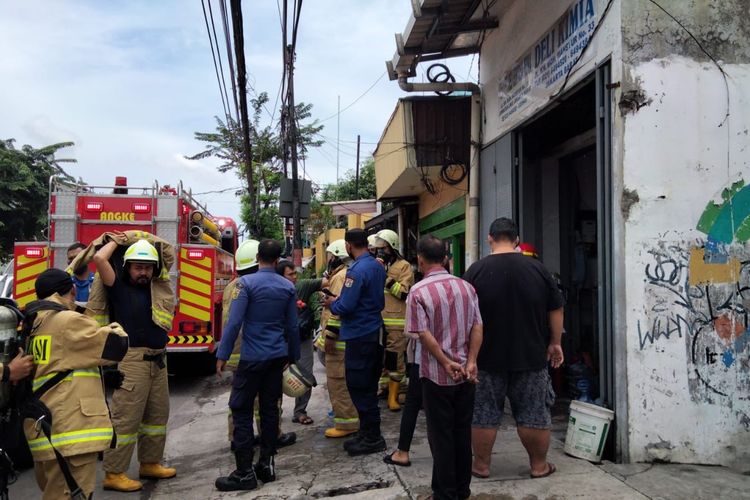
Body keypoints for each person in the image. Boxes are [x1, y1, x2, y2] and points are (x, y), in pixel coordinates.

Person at [463, 217, 564, 480]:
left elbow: (465, 315)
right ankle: (539, 466)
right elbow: (556, 308)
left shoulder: (475, 271)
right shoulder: (538, 270)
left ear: (490, 239)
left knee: (484, 413)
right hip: (530, 355)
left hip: (486, 357)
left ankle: (481, 466)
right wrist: (555, 343)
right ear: (517, 239)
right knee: (533, 413)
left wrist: (468, 355)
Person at [23, 269, 129, 499]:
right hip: (69, 431)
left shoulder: (34, 323)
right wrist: (114, 321)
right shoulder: (67, 320)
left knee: (54, 491)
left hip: (45, 429)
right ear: (72, 290)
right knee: (70, 494)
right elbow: (117, 345)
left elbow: (63, 361)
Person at [215, 239, 300, 492]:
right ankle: (266, 465)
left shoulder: (245, 284)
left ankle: (244, 472)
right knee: (270, 410)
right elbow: (293, 326)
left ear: (257, 258)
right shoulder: (287, 286)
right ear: (276, 261)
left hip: (252, 359)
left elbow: (233, 323)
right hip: (277, 358)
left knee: (240, 408)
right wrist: (293, 356)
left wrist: (223, 353)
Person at [94, 238, 177, 492]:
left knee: (156, 417)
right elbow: (99, 259)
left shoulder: (157, 289)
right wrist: (118, 240)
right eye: (138, 267)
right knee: (126, 419)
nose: (143, 272)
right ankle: (114, 472)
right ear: (127, 267)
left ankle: (149, 463)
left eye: (148, 267)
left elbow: (168, 255)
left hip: (158, 360)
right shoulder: (117, 287)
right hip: (132, 361)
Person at [404, 235, 483, 500]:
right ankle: (461, 490)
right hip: (466, 375)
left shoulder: (418, 291)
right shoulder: (466, 287)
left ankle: (446, 494)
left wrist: (445, 362)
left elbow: (421, 333)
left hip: (436, 376)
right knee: (461, 433)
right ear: (446, 259)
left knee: (441, 438)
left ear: (420, 259)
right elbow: (477, 326)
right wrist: (470, 361)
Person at [322, 229, 386, 456]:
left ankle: (372, 437)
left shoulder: (356, 271)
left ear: (349, 246)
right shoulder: (377, 266)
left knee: (360, 386)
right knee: (367, 384)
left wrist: (332, 303)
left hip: (360, 334)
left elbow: (346, 307)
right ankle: (367, 433)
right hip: (373, 330)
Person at [318, 240, 359, 438]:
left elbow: (337, 311)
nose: (328, 259)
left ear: (336, 255)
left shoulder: (339, 277)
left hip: (339, 341)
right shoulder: (344, 275)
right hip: (348, 339)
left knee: (338, 382)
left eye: (329, 255)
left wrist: (330, 337)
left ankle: (346, 424)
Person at [276, 259, 324, 425]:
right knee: (277, 377)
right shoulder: (273, 290)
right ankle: (276, 413)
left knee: (306, 374)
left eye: (295, 273)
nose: (295, 277)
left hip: (303, 339)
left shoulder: (302, 286)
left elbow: (325, 281)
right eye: (291, 274)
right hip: (280, 341)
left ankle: (300, 411)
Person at [374, 229, 414, 411]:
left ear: (392, 247)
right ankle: (384, 389)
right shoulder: (376, 265)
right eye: (378, 248)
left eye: (383, 248)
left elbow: (404, 293)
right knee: (382, 359)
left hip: (396, 321)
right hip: (377, 320)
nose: (380, 251)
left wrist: (386, 278)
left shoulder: (404, 266)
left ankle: (394, 395)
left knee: (394, 359)